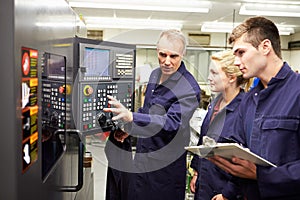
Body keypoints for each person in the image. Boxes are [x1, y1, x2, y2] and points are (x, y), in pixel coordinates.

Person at [208, 16, 300, 200]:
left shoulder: (297, 92)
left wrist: (262, 175)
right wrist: (227, 194)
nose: (235, 62)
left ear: (265, 47)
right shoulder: (250, 99)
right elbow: (243, 154)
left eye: (241, 52)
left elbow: (255, 170)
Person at [104, 29, 201, 200]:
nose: (167, 61)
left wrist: (132, 117)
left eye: (174, 56)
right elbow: (147, 111)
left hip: (165, 172)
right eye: (163, 54)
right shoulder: (155, 74)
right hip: (142, 161)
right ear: (157, 50)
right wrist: (130, 129)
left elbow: (172, 123)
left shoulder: (189, 88)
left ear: (183, 55)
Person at [189, 50, 251, 200]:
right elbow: (203, 140)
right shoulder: (215, 103)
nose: (209, 78)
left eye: (214, 73)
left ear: (231, 77)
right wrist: (197, 172)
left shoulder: (245, 109)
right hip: (205, 183)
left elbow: (247, 159)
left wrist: (228, 193)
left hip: (223, 189)